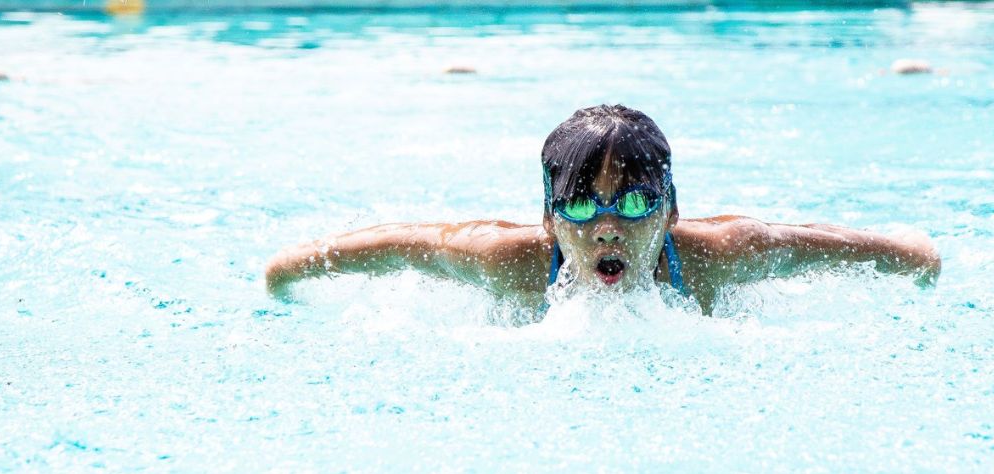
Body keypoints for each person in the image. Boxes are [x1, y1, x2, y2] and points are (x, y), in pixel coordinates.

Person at [264, 105, 941, 316]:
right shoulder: (507, 259)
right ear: (548, 219)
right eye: (582, 205)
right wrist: (284, 275)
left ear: (673, 214)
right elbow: (403, 244)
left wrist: (917, 260)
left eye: (639, 201)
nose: (608, 225)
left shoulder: (719, 253)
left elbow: (825, 242)